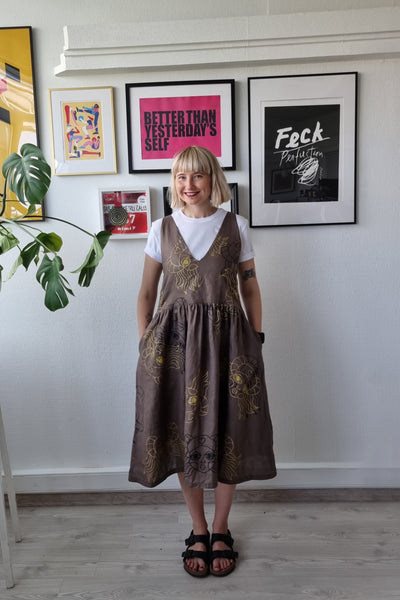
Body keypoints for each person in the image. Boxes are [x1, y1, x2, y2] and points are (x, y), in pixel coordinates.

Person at [129, 145, 276, 578]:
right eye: (180, 177)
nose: (188, 185)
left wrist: (257, 335)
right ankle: (196, 529)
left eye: (196, 176)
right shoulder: (161, 228)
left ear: (212, 178)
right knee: (181, 434)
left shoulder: (237, 226)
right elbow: (145, 293)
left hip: (231, 344)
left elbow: (250, 286)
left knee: (231, 429)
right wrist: (145, 345)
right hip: (171, 349)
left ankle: (221, 527)